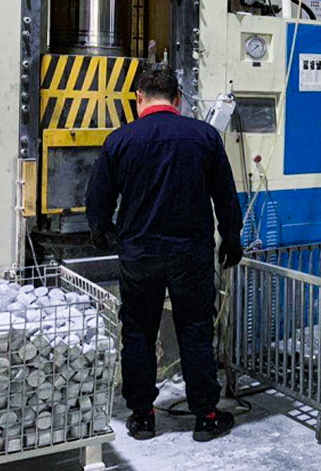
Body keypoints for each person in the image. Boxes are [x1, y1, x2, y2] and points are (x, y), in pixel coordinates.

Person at [86, 67, 244, 442]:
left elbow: (97, 199)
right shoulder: (204, 137)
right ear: (177, 100)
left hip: (139, 255)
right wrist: (231, 238)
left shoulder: (120, 140)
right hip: (191, 255)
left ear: (139, 98)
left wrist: (101, 230)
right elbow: (225, 195)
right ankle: (206, 416)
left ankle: (142, 417)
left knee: (138, 333)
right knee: (195, 330)